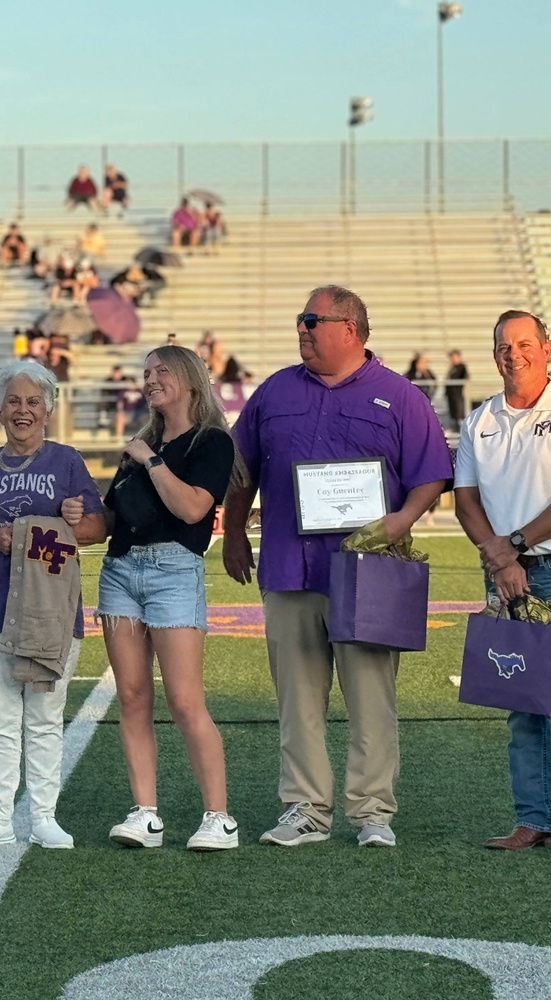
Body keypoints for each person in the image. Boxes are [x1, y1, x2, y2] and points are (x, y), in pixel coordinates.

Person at [223, 286, 452, 849]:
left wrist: (401, 521)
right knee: (296, 700)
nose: (300, 329)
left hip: (367, 574)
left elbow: (431, 474)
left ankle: (372, 811)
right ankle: (306, 808)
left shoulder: (400, 396)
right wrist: (231, 531)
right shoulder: (273, 391)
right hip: (289, 567)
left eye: (310, 320)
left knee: (372, 696)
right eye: (299, 320)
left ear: (349, 327)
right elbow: (239, 469)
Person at [453, 310, 551, 861]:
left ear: (548, 349)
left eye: (524, 344)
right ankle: (535, 819)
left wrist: (512, 545)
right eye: (503, 345)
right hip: (508, 572)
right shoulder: (480, 420)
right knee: (521, 700)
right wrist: (501, 561)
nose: (512, 354)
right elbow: (465, 500)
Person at [0, 361, 106, 849]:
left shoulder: (66, 462)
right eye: (13, 401)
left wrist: (64, 522)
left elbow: (96, 530)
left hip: (50, 609)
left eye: (32, 402)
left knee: (43, 716)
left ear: (48, 410)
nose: (23, 411)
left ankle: (43, 816)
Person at [100, 345, 240, 851]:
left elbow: (191, 509)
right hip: (119, 570)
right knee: (133, 697)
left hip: (173, 570)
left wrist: (151, 460)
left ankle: (219, 817)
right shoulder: (141, 442)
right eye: (146, 372)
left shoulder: (211, 443)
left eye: (161, 371)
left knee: (184, 699)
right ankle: (145, 813)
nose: (150, 379)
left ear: (189, 378)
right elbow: (110, 520)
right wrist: (78, 512)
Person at [445, 349, 469, 429]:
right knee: (453, 411)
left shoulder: (461, 367)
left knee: (459, 410)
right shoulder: (452, 369)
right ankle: (454, 425)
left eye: (454, 357)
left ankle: (460, 426)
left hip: (458, 393)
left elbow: (465, 377)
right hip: (451, 394)